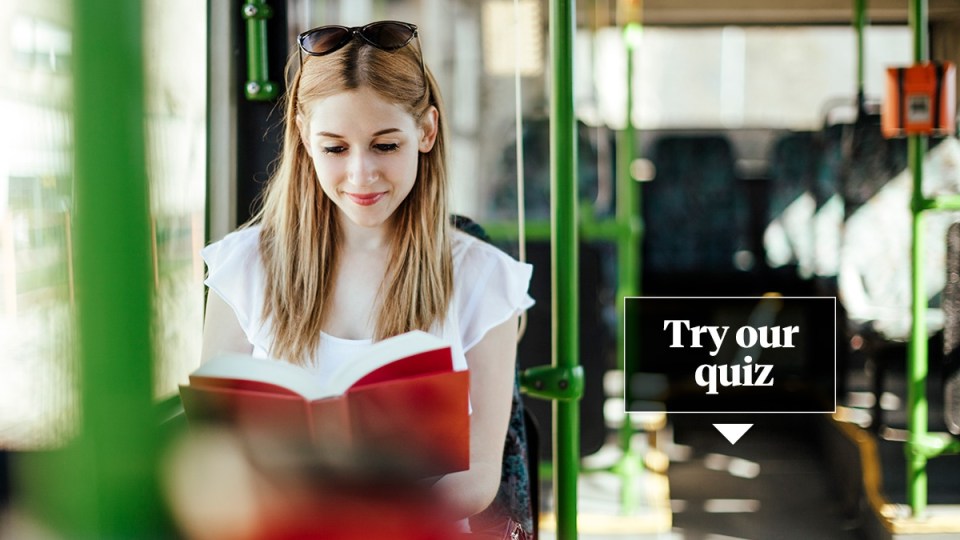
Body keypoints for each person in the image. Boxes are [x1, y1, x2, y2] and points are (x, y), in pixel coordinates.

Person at [198, 20, 534, 534]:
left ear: (426, 132)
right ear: (304, 139)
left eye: (385, 146)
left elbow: (479, 476)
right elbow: (213, 450)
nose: (361, 175)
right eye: (335, 149)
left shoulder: (483, 279)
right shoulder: (244, 268)